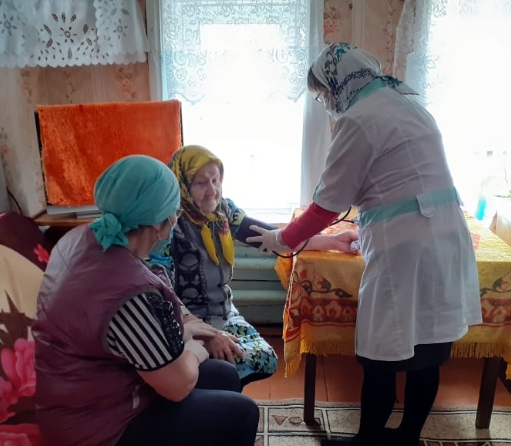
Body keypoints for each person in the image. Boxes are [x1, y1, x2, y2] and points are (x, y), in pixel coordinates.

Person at [247, 43, 482, 446]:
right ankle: (407, 437)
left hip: (406, 248)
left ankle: (368, 441)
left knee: (381, 355)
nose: (325, 102)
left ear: (337, 84)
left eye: (322, 93)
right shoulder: (408, 104)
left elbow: (327, 205)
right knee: (427, 348)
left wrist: (281, 240)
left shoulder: (359, 118)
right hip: (447, 236)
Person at [33, 155, 259, 446]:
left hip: (95, 383)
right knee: (242, 413)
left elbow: (114, 332)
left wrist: (186, 330)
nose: (176, 219)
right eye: (175, 211)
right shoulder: (129, 294)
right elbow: (177, 385)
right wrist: (196, 347)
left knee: (224, 374)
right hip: (95, 427)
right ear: (161, 224)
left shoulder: (81, 238)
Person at [150, 144, 359, 386]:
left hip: (224, 313)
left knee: (263, 358)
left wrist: (332, 241)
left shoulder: (224, 211)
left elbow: (277, 239)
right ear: (182, 185)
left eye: (215, 180)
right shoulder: (170, 225)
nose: (212, 191)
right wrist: (204, 334)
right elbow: (163, 293)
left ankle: (222, 396)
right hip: (188, 322)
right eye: (201, 183)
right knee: (228, 368)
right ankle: (214, 397)